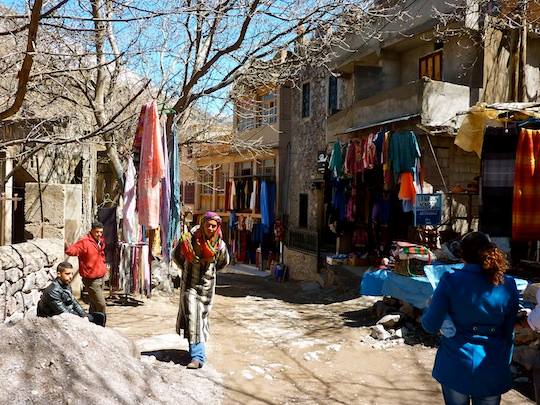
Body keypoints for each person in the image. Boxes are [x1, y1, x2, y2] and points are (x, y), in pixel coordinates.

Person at [421, 232, 519, 405]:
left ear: (462, 254)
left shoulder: (450, 280)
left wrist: (430, 307)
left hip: (456, 364)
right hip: (492, 365)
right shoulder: (508, 284)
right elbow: (508, 331)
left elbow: (430, 325)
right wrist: (504, 362)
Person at [173, 211, 230, 369]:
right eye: (208, 225)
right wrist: (187, 269)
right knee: (193, 314)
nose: (211, 228)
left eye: (214, 226)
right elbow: (176, 256)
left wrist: (208, 270)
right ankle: (197, 357)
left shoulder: (219, 244)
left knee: (199, 319)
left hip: (206, 288)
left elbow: (223, 262)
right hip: (189, 285)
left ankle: (194, 351)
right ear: (202, 224)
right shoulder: (188, 240)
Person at [37, 262, 105, 326]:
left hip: (68, 314)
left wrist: (84, 315)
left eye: (71, 273)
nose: (71, 276)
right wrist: (81, 319)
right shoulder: (53, 291)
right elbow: (63, 313)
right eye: (67, 274)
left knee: (100, 316)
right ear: (59, 274)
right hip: (54, 320)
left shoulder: (66, 285)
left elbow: (74, 303)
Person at [65, 221, 108, 315]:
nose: (99, 234)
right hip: (91, 279)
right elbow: (73, 251)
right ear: (91, 230)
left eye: (101, 232)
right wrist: (67, 246)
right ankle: (101, 325)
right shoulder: (84, 242)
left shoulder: (100, 241)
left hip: (101, 277)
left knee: (94, 303)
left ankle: (93, 323)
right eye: (97, 232)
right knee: (101, 304)